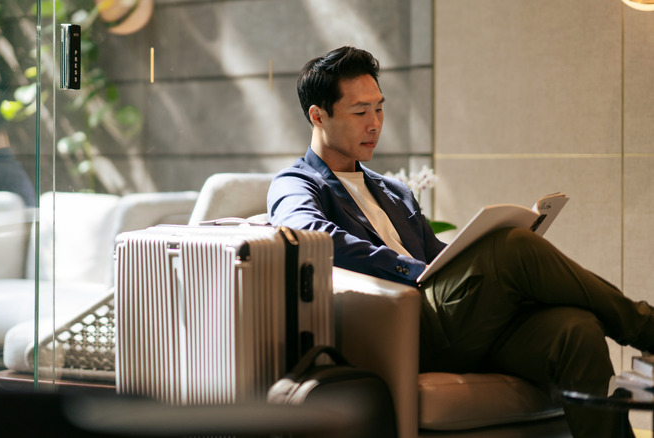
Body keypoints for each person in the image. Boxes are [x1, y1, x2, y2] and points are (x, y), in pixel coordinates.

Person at [267, 46, 653, 437]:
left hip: (457, 321)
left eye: (379, 108)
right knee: (513, 248)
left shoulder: (393, 191)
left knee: (577, 330)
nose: (375, 123)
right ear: (318, 116)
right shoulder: (296, 183)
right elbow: (312, 237)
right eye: (359, 112)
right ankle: (646, 327)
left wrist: (476, 259)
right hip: (402, 324)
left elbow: (440, 257)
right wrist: (410, 270)